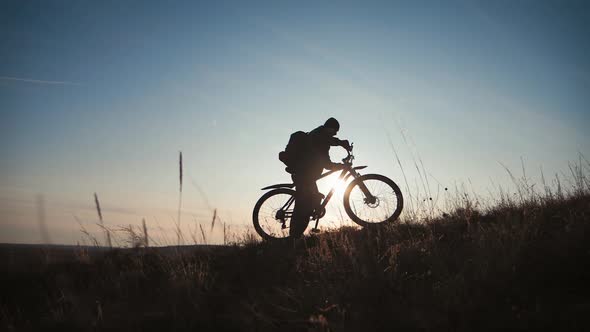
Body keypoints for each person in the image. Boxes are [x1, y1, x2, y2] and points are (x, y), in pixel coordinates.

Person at [289, 117, 351, 238]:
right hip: (303, 174)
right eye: (334, 131)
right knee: (304, 205)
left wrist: (337, 163)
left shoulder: (321, 139)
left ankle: (295, 236)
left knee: (312, 201)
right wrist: (341, 144)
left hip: (307, 175)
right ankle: (294, 236)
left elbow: (326, 160)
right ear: (329, 128)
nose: (335, 134)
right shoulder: (318, 136)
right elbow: (326, 159)